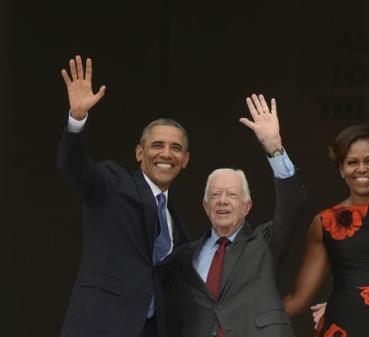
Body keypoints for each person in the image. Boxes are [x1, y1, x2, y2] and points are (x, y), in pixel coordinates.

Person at [57, 55, 191, 337]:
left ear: (186, 159)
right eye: (157, 145)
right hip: (101, 326)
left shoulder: (176, 224)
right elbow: (74, 167)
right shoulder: (113, 183)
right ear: (139, 153)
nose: (166, 154)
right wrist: (77, 117)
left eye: (175, 148)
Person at [167, 94, 308, 337]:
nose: (222, 200)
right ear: (205, 205)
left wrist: (274, 147)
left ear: (247, 205)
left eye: (231, 195)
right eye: (215, 195)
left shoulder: (266, 243)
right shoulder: (185, 256)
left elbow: (294, 206)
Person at [282, 125, 369, 337]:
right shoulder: (325, 221)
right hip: (342, 325)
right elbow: (299, 299)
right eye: (352, 162)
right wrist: (243, 318)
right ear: (341, 169)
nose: (361, 169)